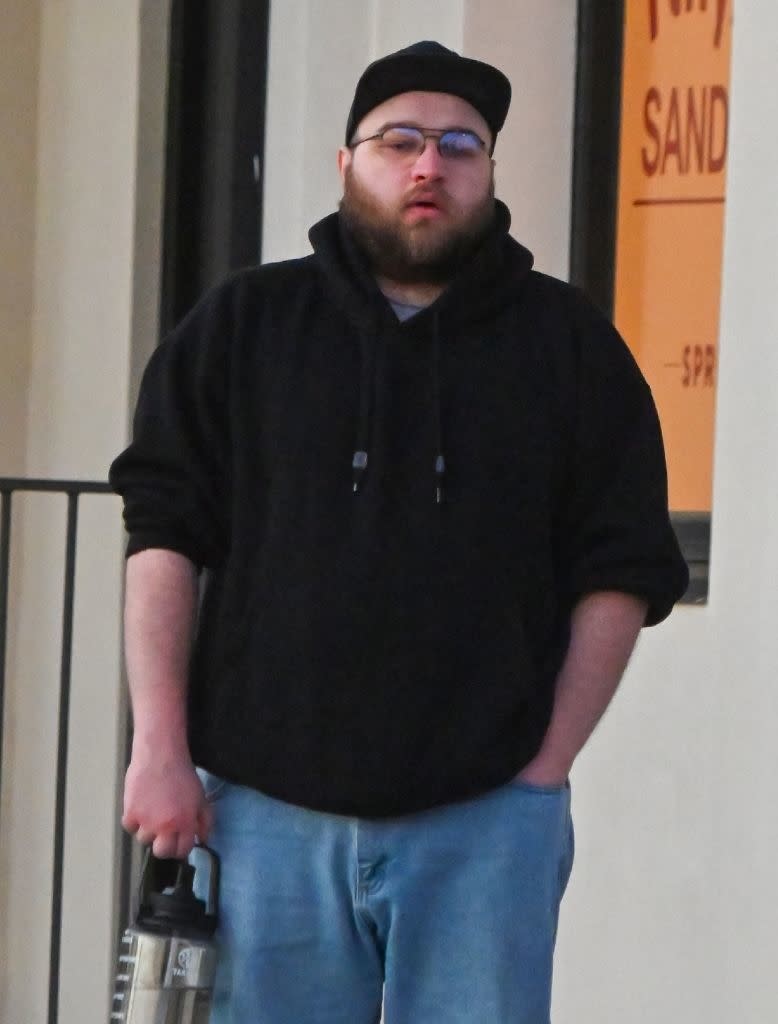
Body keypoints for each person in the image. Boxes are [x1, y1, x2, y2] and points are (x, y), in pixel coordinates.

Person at [109, 40, 689, 1024]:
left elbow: (622, 567)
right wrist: (159, 744)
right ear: (346, 164)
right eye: (401, 140)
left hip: (484, 824)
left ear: (491, 173)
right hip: (267, 821)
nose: (430, 165)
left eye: (461, 144)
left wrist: (541, 771)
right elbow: (165, 532)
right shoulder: (243, 326)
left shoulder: (568, 345)